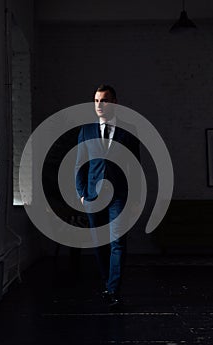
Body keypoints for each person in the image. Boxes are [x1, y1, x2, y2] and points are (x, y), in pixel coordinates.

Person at [75, 84, 140, 307]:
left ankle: (113, 289)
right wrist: (82, 194)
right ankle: (107, 282)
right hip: (93, 197)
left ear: (114, 103)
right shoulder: (86, 131)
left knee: (118, 243)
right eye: (96, 101)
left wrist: (135, 199)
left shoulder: (129, 131)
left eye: (104, 100)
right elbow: (79, 166)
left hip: (119, 196)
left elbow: (136, 169)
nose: (99, 105)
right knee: (99, 244)